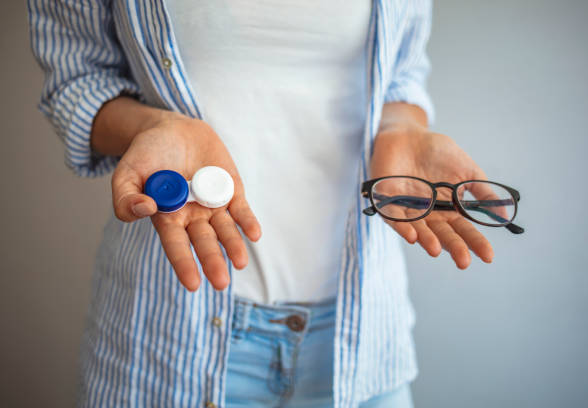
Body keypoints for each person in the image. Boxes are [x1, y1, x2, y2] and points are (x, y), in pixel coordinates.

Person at [28, 0, 494, 407]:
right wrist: (150, 126)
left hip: (359, 338)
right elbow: (77, 80)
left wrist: (400, 128)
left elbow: (402, 74)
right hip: (168, 338)